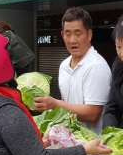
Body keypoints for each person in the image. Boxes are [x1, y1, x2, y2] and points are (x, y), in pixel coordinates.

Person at [34, 7, 111, 135]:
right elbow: (67, 106)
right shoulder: (64, 65)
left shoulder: (96, 66)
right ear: (63, 35)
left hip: (93, 145)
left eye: (78, 33)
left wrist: (55, 104)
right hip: (71, 142)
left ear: (89, 34)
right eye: (68, 34)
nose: (72, 40)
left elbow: (93, 114)